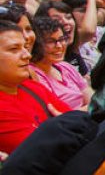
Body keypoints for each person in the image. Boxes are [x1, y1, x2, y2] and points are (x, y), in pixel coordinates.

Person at [0, 21, 70, 154]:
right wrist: (68, 127)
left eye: (25, 47)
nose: (27, 55)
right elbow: (48, 151)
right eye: (14, 49)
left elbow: (80, 122)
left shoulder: (31, 86)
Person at [28, 16, 89, 111]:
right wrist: (91, 109)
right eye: (50, 41)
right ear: (36, 44)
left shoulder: (65, 66)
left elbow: (92, 99)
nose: (59, 46)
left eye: (61, 39)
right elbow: (56, 112)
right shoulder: (32, 74)